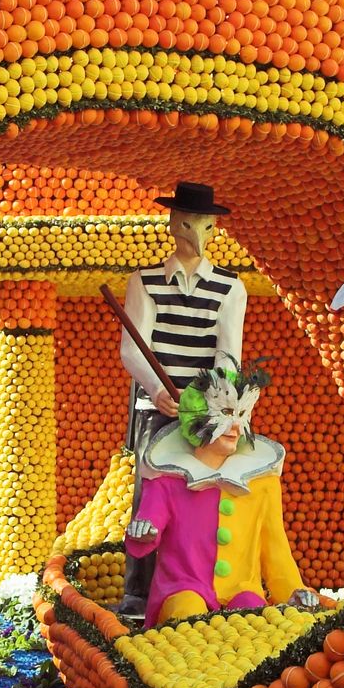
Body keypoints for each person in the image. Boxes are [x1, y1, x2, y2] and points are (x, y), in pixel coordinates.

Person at [117, 180, 245, 622]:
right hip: (156, 409)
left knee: (205, 499)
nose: (198, 234)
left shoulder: (230, 288)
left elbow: (228, 355)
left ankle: (206, 585)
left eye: (206, 226)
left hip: (207, 414)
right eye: (190, 224)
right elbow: (133, 347)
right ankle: (137, 590)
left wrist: (207, 403)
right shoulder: (145, 280)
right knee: (149, 495)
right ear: (174, 224)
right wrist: (156, 388)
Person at [123, 365, 321, 625]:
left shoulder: (262, 481)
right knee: (187, 613)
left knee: (254, 619)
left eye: (242, 414)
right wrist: (144, 530)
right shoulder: (168, 476)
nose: (236, 426)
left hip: (241, 589)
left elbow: (275, 546)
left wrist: (293, 591)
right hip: (182, 588)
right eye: (227, 413)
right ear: (198, 416)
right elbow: (150, 520)